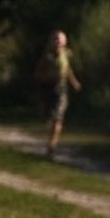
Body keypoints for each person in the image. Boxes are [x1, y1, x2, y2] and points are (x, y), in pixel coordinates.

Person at [34, 30, 82, 159]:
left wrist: (74, 82)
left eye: (60, 40)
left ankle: (52, 146)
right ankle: (50, 132)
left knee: (58, 117)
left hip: (61, 89)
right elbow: (38, 73)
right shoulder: (46, 57)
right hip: (47, 89)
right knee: (47, 117)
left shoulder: (66, 54)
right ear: (51, 42)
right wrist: (45, 78)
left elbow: (67, 69)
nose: (57, 42)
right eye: (55, 39)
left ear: (64, 42)